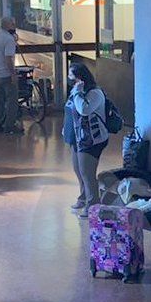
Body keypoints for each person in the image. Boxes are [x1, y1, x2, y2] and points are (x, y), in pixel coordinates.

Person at [63, 63, 106, 216]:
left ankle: (93, 204)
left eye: (71, 76)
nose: (69, 79)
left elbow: (84, 110)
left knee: (87, 173)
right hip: (76, 137)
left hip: (91, 139)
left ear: (80, 78)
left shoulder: (95, 93)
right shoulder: (75, 92)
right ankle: (83, 196)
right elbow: (69, 110)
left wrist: (77, 93)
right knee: (78, 169)